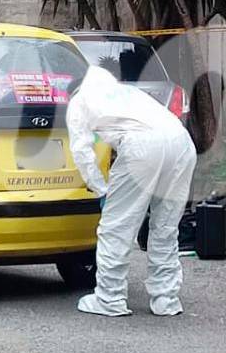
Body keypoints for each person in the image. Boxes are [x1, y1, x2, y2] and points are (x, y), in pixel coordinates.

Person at [66, 66, 197, 317]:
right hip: (182, 144)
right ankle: (166, 299)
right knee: (166, 226)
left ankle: (109, 298)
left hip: (142, 147)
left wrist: (101, 189)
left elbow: (82, 151)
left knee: (116, 227)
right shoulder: (126, 92)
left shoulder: (80, 100)